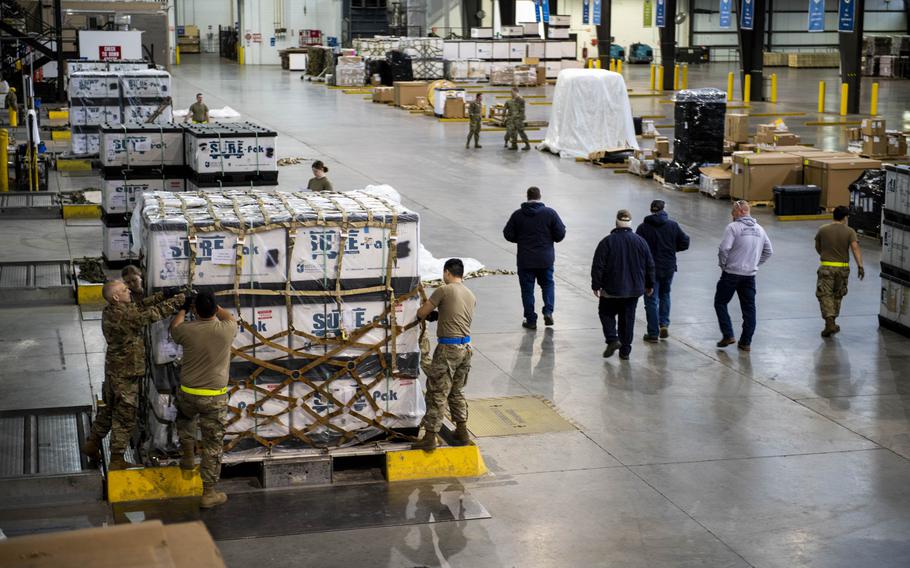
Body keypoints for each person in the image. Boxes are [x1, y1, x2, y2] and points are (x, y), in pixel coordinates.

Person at [81, 281, 184, 469]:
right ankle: (117, 459)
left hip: (114, 371)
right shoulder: (125, 315)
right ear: (115, 297)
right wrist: (180, 301)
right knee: (126, 416)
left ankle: (92, 443)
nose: (128, 290)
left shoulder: (113, 310)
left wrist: (164, 295)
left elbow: (140, 306)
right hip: (126, 374)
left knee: (110, 409)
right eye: (123, 290)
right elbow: (153, 314)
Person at [170, 289, 237, 509]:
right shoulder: (227, 329)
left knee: (185, 419)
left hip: (188, 392)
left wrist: (183, 308)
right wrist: (215, 306)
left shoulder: (186, 330)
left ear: (195, 310)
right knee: (212, 445)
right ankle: (209, 493)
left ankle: (188, 456)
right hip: (214, 398)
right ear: (215, 309)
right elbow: (229, 316)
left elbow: (174, 328)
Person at [413, 258, 476, 451]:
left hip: (448, 349)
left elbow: (420, 313)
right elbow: (456, 315)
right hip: (466, 348)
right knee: (456, 391)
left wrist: (426, 314)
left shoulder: (444, 290)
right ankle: (462, 430)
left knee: (437, 392)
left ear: (447, 272)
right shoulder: (470, 294)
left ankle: (430, 437)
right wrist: (440, 315)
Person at [591, 210, 655, 360]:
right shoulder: (641, 241)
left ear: (616, 222)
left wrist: (596, 285)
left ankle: (612, 339)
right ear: (630, 223)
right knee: (628, 318)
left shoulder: (607, 242)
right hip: (633, 289)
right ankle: (625, 351)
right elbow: (650, 265)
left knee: (606, 313)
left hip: (611, 289)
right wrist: (650, 284)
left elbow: (598, 265)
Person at [503, 186, 566, 330]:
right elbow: (560, 234)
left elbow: (507, 234)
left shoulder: (518, 215)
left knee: (527, 290)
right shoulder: (550, 213)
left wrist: (520, 239)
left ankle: (531, 320)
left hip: (525, 260)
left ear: (527, 197)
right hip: (545, 259)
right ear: (540, 197)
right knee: (547, 285)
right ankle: (548, 311)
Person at [714, 201, 773, 352]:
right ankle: (745, 342)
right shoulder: (760, 229)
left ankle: (728, 335)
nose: (732, 215)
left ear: (740, 211)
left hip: (731, 274)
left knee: (720, 302)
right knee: (749, 309)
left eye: (733, 212)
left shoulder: (733, 227)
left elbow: (724, 248)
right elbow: (768, 251)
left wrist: (723, 266)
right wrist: (755, 264)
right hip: (749, 276)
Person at [635, 200, 690, 341]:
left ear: (651, 210)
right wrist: (673, 249)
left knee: (651, 300)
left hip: (650, 271)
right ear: (664, 209)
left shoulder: (643, 228)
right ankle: (663, 323)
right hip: (668, 267)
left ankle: (653, 333)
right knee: (665, 294)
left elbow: (637, 248)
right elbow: (685, 242)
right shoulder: (673, 225)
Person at [815, 205, 865, 337]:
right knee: (837, 295)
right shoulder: (850, 231)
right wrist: (860, 266)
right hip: (842, 269)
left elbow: (817, 247)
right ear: (845, 217)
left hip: (826, 267)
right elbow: (855, 249)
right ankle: (831, 323)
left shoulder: (822, 230)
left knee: (825, 295)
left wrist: (825, 254)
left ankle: (829, 322)